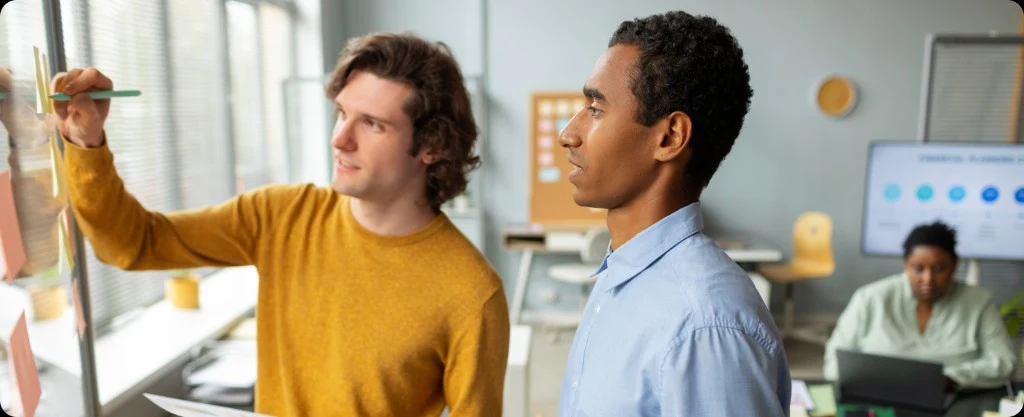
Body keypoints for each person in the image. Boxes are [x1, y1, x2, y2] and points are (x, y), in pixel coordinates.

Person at [51, 33, 510, 416]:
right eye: (341, 113)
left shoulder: (470, 292)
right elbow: (132, 244)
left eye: (371, 124)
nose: (339, 139)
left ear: (431, 145)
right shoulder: (281, 216)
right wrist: (86, 143)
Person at [557, 11, 790, 417]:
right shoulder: (622, 272)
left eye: (596, 109)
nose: (568, 134)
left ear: (669, 137)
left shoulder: (705, 326)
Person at [824, 221, 1015, 390]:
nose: (928, 279)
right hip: (877, 398)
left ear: (954, 265)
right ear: (905, 265)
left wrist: (951, 378)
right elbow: (834, 361)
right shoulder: (870, 298)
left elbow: (1004, 362)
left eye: (939, 269)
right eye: (918, 268)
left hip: (952, 399)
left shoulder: (979, 301)